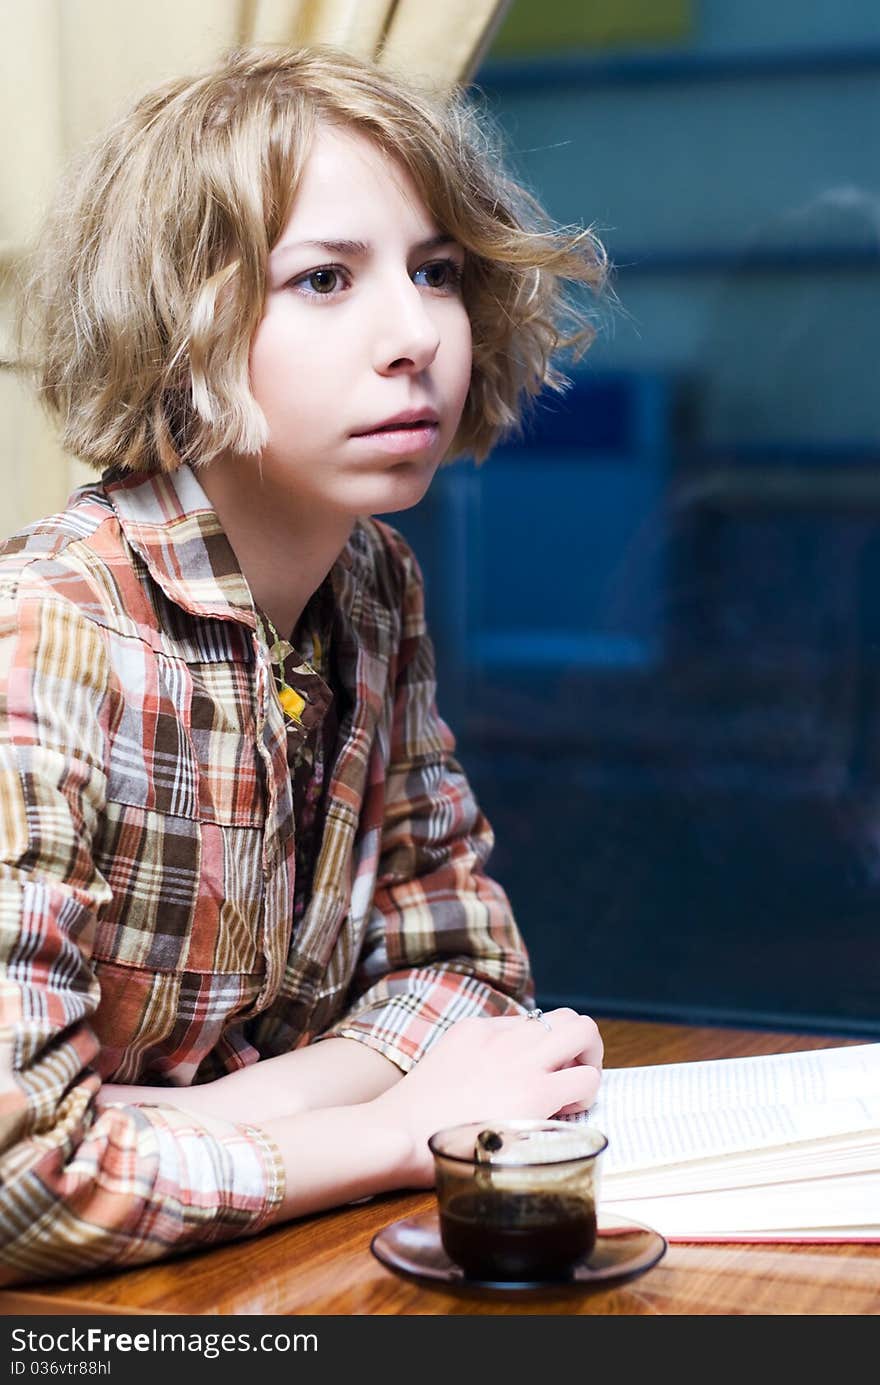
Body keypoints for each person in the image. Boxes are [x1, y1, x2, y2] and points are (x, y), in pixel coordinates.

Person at [0, 44, 606, 1284]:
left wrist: (191, 1120)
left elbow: (467, 973)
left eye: (435, 272)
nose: (415, 335)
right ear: (178, 318)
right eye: (324, 277)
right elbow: (19, 1181)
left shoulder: (373, 583)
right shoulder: (47, 630)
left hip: (238, 1267)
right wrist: (386, 1128)